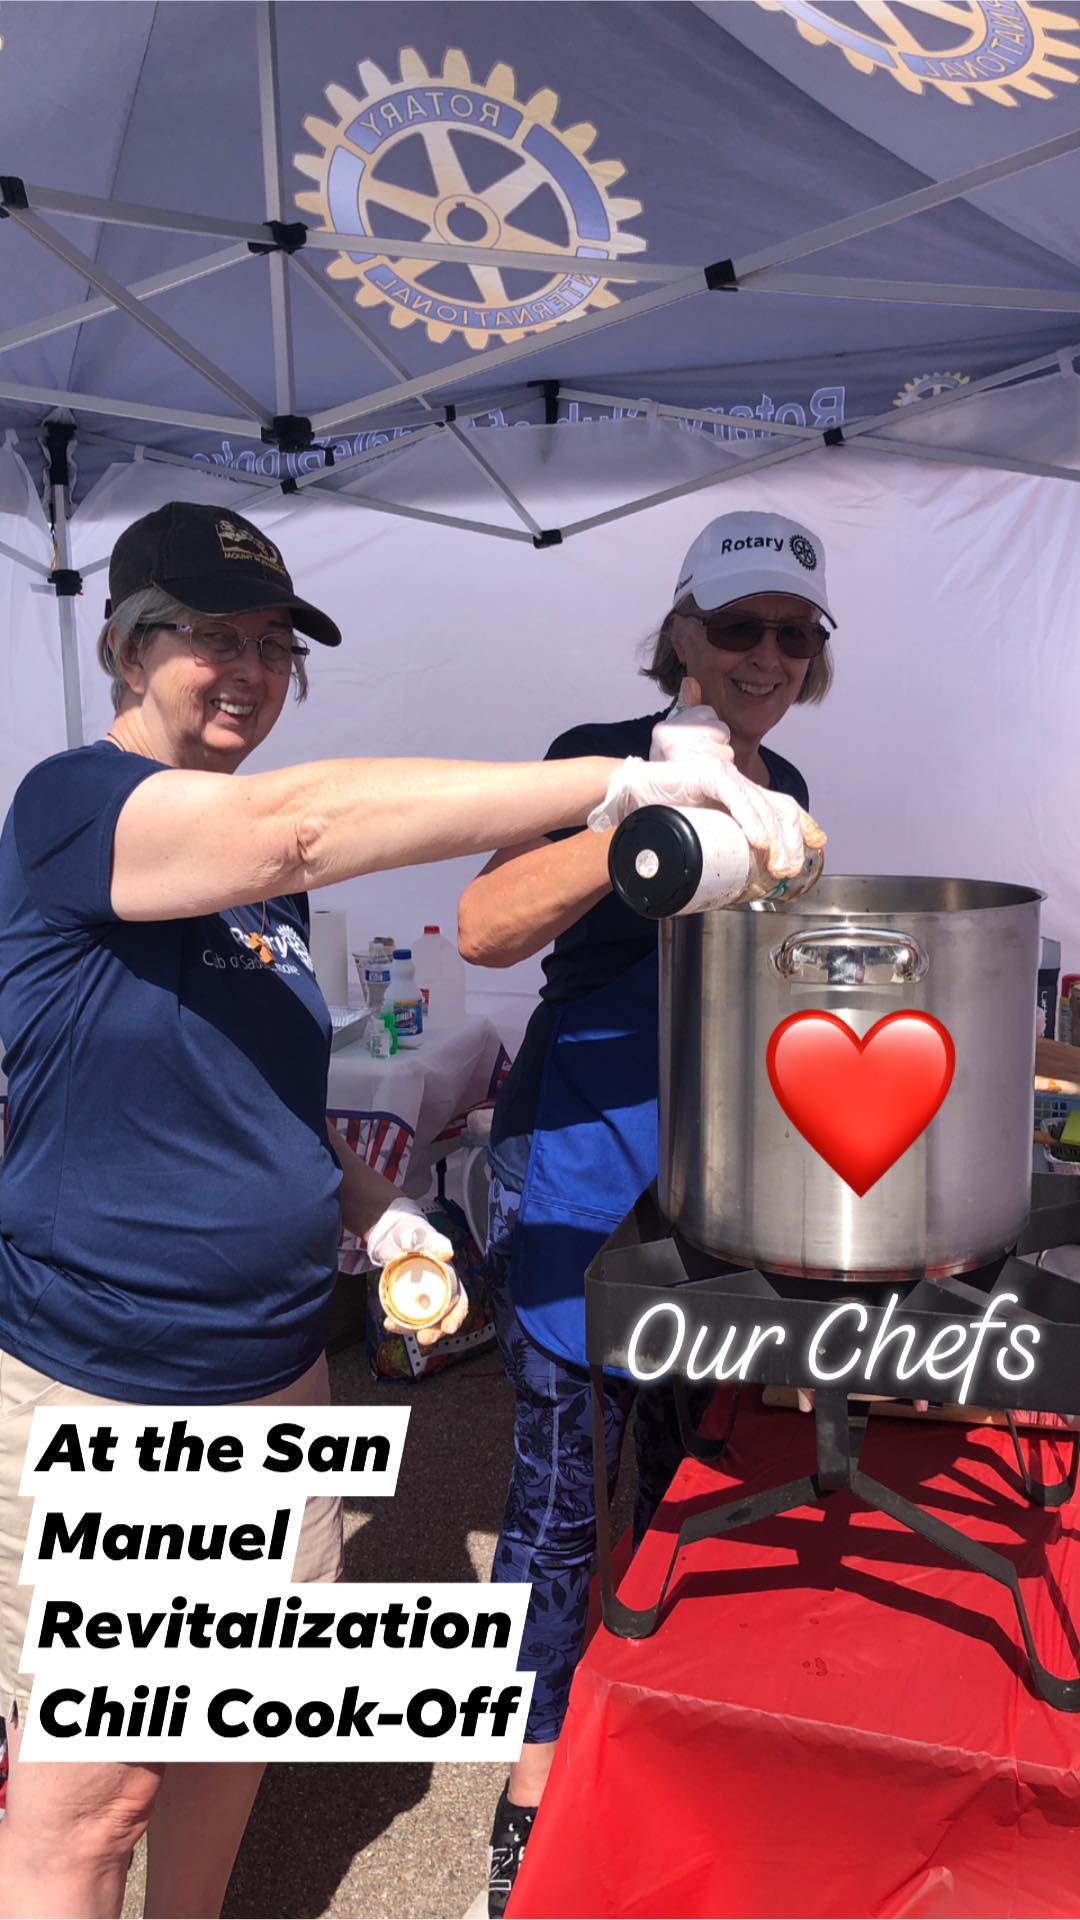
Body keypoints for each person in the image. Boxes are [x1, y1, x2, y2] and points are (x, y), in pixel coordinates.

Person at [0, 500, 787, 1920]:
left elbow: (257, 1096)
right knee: (96, 1798)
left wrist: (380, 1205)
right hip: (119, 1376)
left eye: (275, 647)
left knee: (227, 1730)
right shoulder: (75, 805)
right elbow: (301, 827)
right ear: (125, 649)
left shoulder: (257, 911)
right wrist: (616, 784)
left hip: (274, 1368)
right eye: (212, 637)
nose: (249, 671)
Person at [457, 510, 833, 1916]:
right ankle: (531, 1784)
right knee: (564, 1487)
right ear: (680, 631)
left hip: (712, 1169)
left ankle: (659, 1726)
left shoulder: (789, 778)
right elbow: (487, 925)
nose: (766, 655)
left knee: (690, 1463)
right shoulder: (594, 756)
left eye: (793, 633)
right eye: (738, 626)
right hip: (578, 1150)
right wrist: (640, 823)